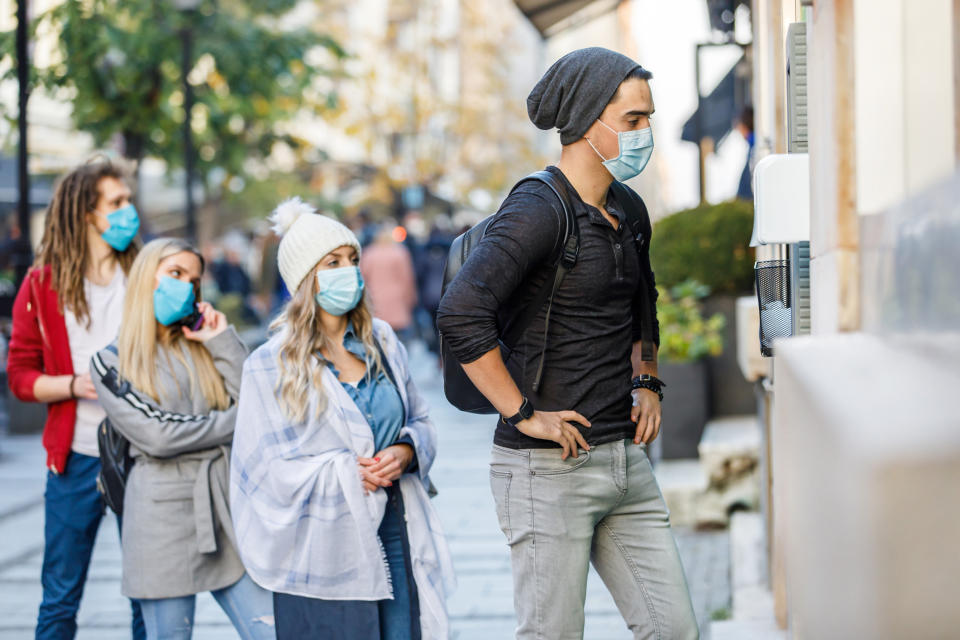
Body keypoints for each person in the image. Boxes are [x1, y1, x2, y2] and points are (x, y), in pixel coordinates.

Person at [436, 47, 699, 640]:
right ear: (586, 122)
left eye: (647, 118)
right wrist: (523, 413)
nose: (645, 133)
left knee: (675, 629)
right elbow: (461, 311)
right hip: (546, 473)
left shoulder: (627, 208)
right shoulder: (536, 208)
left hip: (625, 462)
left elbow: (643, 302)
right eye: (633, 120)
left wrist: (647, 378)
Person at [230, 197, 455, 640]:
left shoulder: (383, 341)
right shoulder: (268, 364)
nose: (349, 270)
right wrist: (342, 474)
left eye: (352, 258)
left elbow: (423, 420)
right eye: (332, 262)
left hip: (395, 531)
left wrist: (407, 450)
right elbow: (266, 471)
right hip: (320, 548)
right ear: (305, 278)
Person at [89, 238, 274, 640]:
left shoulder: (203, 344)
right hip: (160, 523)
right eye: (175, 273)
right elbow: (157, 436)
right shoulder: (109, 361)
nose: (186, 286)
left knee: (272, 630)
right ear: (145, 278)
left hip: (225, 509)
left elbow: (258, 408)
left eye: (193, 280)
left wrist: (222, 341)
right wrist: (230, 423)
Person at [5, 159, 146, 640]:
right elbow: (21, 376)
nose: (129, 212)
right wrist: (74, 385)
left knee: (150, 596)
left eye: (128, 201)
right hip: (74, 459)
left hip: (142, 457)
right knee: (60, 598)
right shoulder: (42, 285)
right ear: (87, 213)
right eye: (117, 203)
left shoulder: (145, 277)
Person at [359, 224, 418, 342]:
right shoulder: (400, 253)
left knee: (378, 338)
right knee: (399, 340)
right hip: (397, 299)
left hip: (375, 300)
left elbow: (362, 279)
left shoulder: (368, 254)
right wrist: (411, 299)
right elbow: (407, 279)